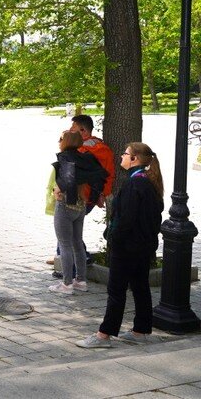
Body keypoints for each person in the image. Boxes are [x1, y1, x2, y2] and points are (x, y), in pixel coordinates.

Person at [77, 142, 164, 348]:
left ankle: (104, 335)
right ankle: (140, 331)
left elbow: (126, 219)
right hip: (142, 246)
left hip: (128, 247)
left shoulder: (135, 184)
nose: (121, 157)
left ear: (134, 159)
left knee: (116, 290)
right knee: (140, 287)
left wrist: (112, 236)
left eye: (125, 154)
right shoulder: (148, 182)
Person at [49, 130, 107, 294]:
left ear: (65, 141)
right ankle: (81, 281)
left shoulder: (65, 158)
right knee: (77, 243)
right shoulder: (84, 157)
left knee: (65, 244)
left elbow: (66, 179)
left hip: (66, 205)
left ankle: (67, 284)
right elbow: (98, 176)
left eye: (60, 138)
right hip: (80, 205)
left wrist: (57, 189)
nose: (58, 141)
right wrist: (97, 196)